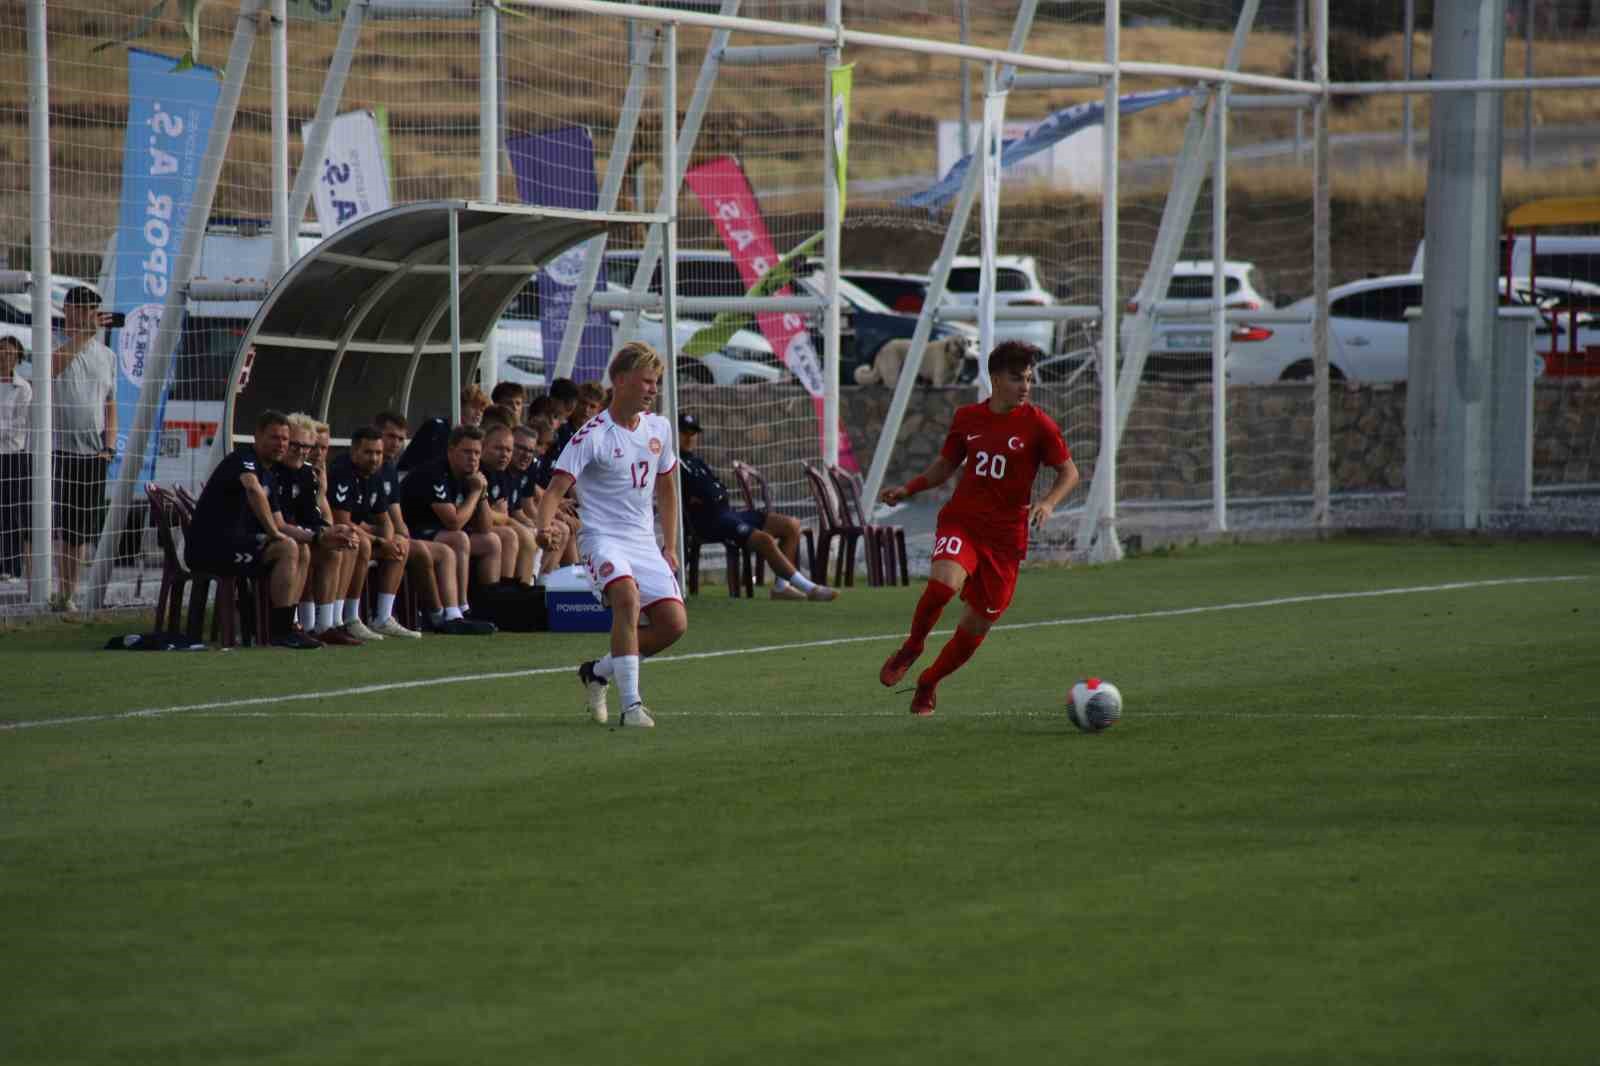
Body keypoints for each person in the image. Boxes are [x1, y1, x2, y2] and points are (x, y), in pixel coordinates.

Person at [876, 341, 1080, 716]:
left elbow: (1069, 472)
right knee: (941, 586)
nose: (1026, 386)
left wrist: (1048, 502)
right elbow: (944, 467)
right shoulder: (968, 417)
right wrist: (909, 488)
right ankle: (913, 646)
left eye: (1030, 379)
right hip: (963, 521)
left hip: (1005, 540)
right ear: (996, 378)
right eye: (1018, 378)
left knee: (975, 629)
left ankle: (928, 682)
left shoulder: (1038, 425)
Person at [534, 342, 686, 729]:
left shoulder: (659, 428)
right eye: (646, 381)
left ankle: (598, 671)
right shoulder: (592, 435)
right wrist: (542, 530)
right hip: (602, 538)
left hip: (642, 540)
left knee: (673, 624)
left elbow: (667, 489)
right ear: (619, 381)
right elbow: (554, 490)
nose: (653, 389)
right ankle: (632, 705)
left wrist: (669, 545)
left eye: (656, 383)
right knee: (626, 597)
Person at [183, 409, 319, 649]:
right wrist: (275, 535)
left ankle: (287, 626)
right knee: (286, 547)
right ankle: (280, 631)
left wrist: (318, 537)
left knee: (302, 548)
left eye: (285, 439)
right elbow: (253, 490)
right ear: (257, 437)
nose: (281, 444)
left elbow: (281, 524)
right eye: (274, 437)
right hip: (210, 548)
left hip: (234, 545)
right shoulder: (242, 459)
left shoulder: (268, 474)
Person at [676, 412, 837, 602]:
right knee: (764, 539)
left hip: (727, 513)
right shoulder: (675, 461)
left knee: (790, 524)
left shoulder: (696, 461)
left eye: (693, 433)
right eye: (684, 432)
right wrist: (707, 494)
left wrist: (710, 494)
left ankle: (781, 587)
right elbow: (702, 494)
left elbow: (718, 489)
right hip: (708, 521)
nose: (689, 437)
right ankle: (810, 588)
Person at [49, 286, 117, 610]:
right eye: (85, 308)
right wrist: (82, 336)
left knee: (82, 527)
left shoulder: (107, 355)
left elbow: (110, 403)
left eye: (95, 309)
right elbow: (52, 369)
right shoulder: (53, 342)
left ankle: (71, 592)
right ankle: (61, 592)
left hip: (94, 453)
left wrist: (110, 446)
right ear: (69, 310)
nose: (92, 315)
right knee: (61, 524)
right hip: (59, 449)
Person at [399, 423, 501, 625]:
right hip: (412, 532)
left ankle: (490, 605)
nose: (472, 458)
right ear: (451, 451)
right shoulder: (434, 472)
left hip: (439, 534)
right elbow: (453, 522)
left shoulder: (473, 476)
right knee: (459, 538)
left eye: (476, 453)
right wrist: (474, 493)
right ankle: (459, 610)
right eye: (466, 452)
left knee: (492, 541)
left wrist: (482, 494)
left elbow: (485, 527)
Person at [328, 425, 420, 639]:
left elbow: (384, 518)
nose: (374, 458)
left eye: (378, 453)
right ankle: (349, 618)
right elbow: (342, 522)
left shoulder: (375, 474)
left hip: (361, 537)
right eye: (368, 452)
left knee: (400, 544)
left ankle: (383, 618)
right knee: (363, 544)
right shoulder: (342, 471)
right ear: (354, 452)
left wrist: (388, 541)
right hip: (339, 539)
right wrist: (380, 541)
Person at [279, 413, 362, 645]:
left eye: (308, 446)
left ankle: (326, 624)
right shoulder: (271, 470)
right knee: (302, 548)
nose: (303, 451)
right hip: (274, 539)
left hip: (295, 536)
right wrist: (319, 535)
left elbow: (313, 516)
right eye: (295, 445)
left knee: (338, 545)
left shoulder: (307, 473)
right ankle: (294, 624)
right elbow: (276, 521)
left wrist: (332, 532)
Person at [479, 421, 537, 586]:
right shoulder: (479, 471)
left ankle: (524, 588)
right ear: (484, 446)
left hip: (486, 526)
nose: (504, 454)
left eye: (508, 450)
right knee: (512, 535)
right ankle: (506, 593)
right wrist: (503, 517)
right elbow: (487, 515)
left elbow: (508, 512)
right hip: (472, 529)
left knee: (530, 534)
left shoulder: (501, 473)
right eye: (498, 448)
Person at [0, 337, 31, 581]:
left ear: (18, 357)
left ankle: (11, 566)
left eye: (10, 353)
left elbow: (19, 425)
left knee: (11, 513)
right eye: (1, 352)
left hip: (11, 456)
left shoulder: (23, 387)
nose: (5, 357)